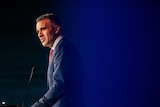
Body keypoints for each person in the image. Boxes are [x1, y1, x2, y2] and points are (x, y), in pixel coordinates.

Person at [31, 13, 85, 107]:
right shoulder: (57, 49)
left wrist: (37, 106)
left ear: (56, 29)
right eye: (37, 31)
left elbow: (59, 86)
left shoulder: (63, 48)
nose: (39, 35)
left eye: (43, 29)